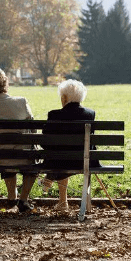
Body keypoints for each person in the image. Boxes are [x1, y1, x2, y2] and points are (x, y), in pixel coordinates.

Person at [0, 67, 37, 213]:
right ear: (5, 84)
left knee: (2, 149)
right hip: (24, 158)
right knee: (31, 155)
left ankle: (11, 198)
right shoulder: (21, 102)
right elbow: (33, 130)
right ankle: (23, 200)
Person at [42, 79, 98, 211]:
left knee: (60, 154)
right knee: (65, 153)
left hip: (58, 161)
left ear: (64, 97)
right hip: (84, 161)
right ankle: (62, 201)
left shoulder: (54, 114)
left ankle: (59, 197)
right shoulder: (90, 114)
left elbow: (45, 141)